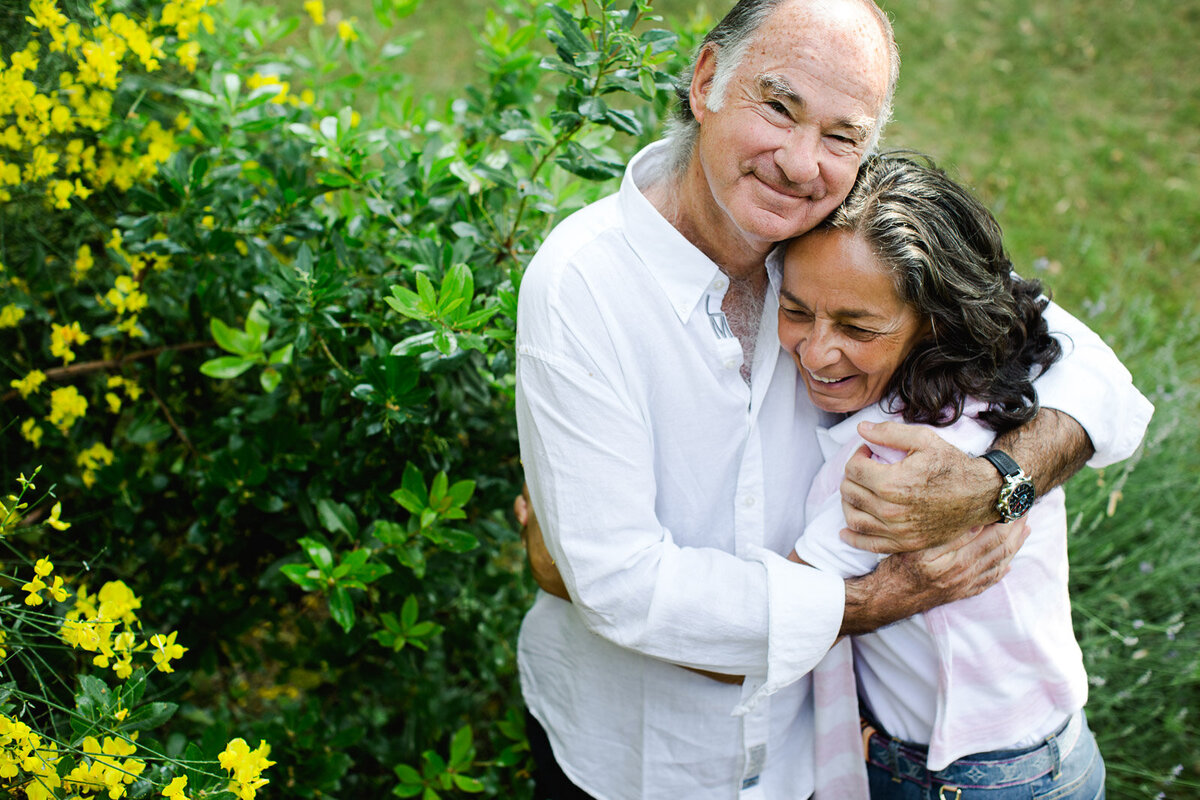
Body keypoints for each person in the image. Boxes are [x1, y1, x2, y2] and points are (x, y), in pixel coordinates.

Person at [514, 0, 1153, 797]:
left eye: (842, 135)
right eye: (778, 107)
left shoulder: (839, 244)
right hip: (640, 760)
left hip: (812, 757)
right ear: (707, 79)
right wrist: (884, 597)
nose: (799, 160)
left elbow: (1086, 367)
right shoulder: (583, 283)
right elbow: (621, 588)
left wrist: (994, 483)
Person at [776, 152, 1109, 798]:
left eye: (856, 327)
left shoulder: (893, 463)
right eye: (795, 311)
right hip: (1059, 755)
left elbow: (770, 619)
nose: (816, 352)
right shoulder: (1004, 381)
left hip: (963, 783)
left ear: (932, 320)